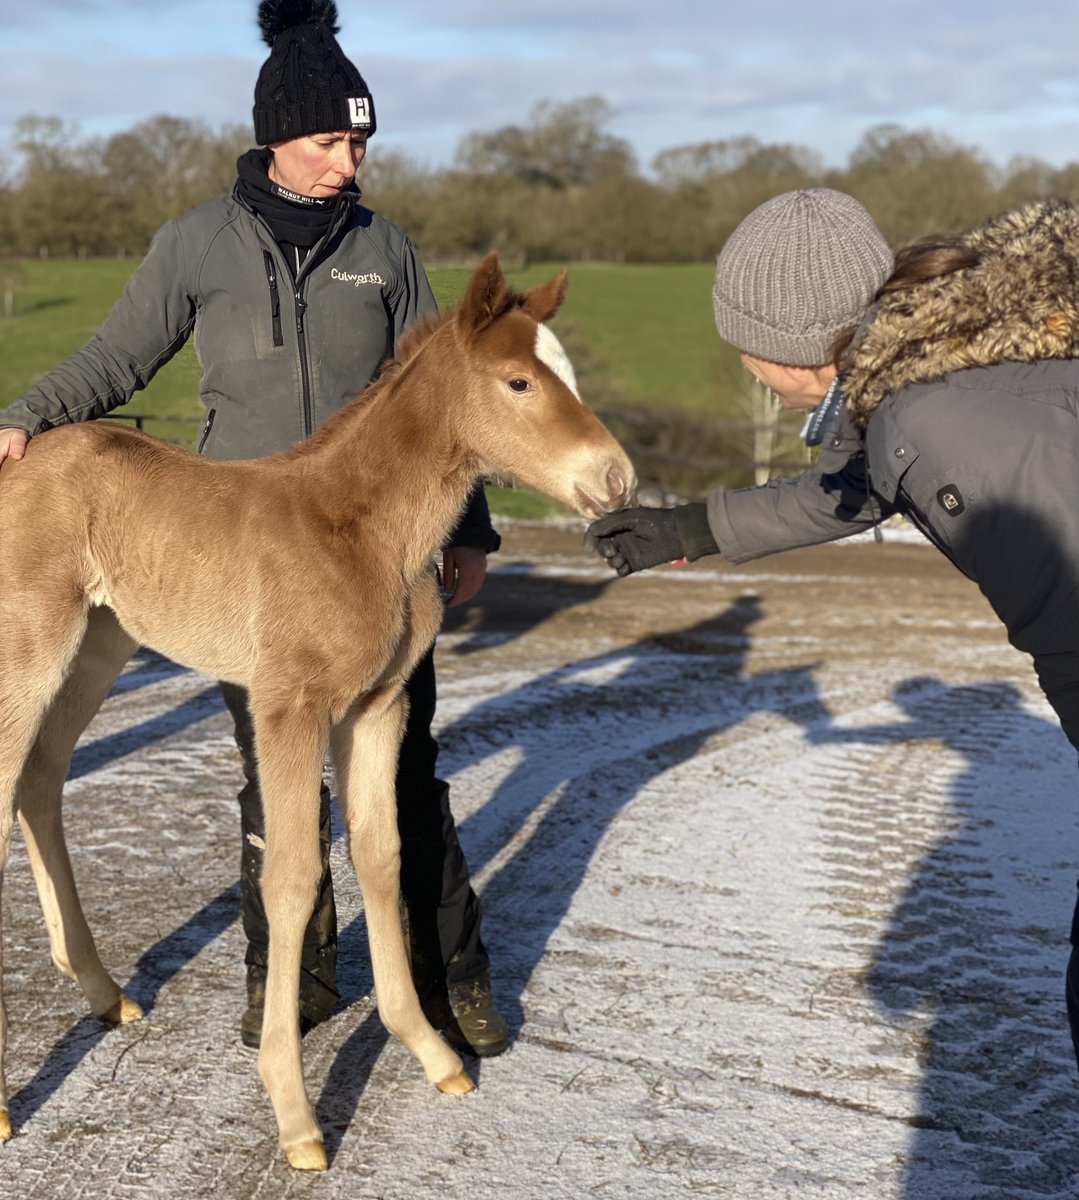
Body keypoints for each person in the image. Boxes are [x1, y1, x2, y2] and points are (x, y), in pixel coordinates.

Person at [0, 0, 507, 1057]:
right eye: (330, 139)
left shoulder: (385, 247)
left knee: (402, 775)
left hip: (377, 554)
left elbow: (449, 399)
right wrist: (25, 416)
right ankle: (295, 979)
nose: (347, 160)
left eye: (359, 141)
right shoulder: (197, 243)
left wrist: (474, 532)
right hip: (253, 554)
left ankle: (450, 977)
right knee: (267, 776)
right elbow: (118, 355)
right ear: (277, 132)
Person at [586, 188, 1079, 1067]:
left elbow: (1069, 621)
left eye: (745, 349)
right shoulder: (927, 361)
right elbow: (852, 488)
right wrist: (689, 531)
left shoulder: (936, 422)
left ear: (787, 346)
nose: (743, 370)